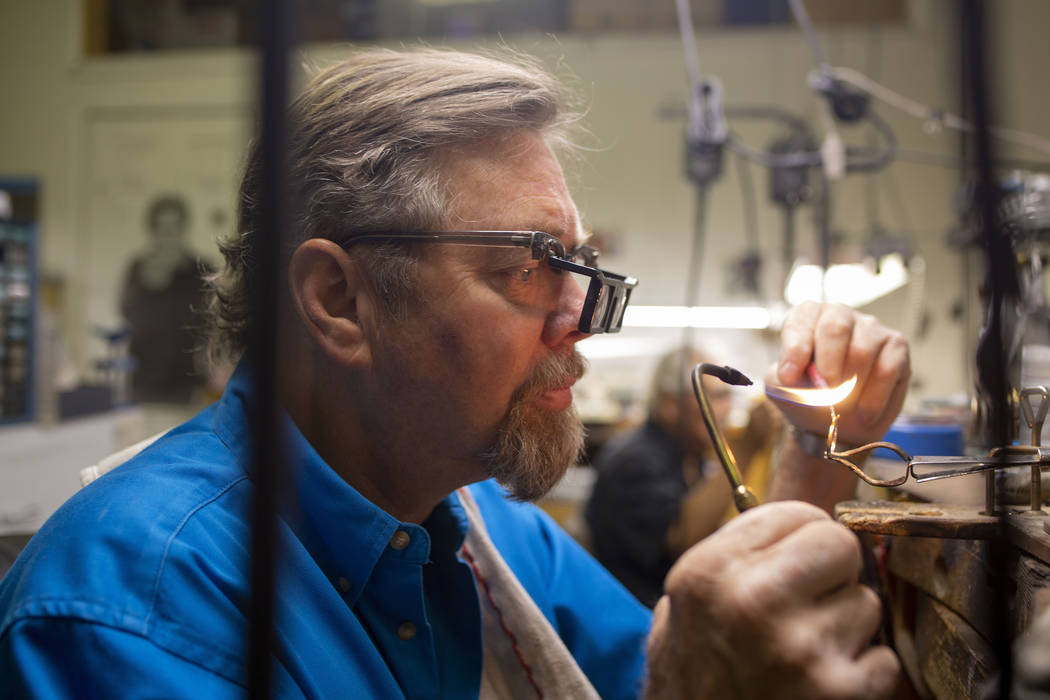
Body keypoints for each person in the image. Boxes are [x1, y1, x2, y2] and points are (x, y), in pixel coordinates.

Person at [0, 48, 910, 698]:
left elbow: (709, 667)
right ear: (338, 299)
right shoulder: (132, 606)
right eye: (528, 267)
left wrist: (815, 445)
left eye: (582, 271)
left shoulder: (490, 531)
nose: (577, 328)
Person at [586, 346, 782, 608]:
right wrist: (745, 448)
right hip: (638, 619)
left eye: (728, 396)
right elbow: (684, 538)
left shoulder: (691, 455)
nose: (726, 409)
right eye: (717, 396)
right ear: (670, 404)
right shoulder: (633, 460)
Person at [119, 194, 214, 403]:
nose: (168, 233)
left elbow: (210, 320)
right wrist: (150, 282)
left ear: (183, 228)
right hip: (143, 376)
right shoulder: (137, 267)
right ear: (152, 229)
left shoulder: (202, 268)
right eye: (162, 227)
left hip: (186, 377)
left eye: (174, 226)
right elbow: (126, 311)